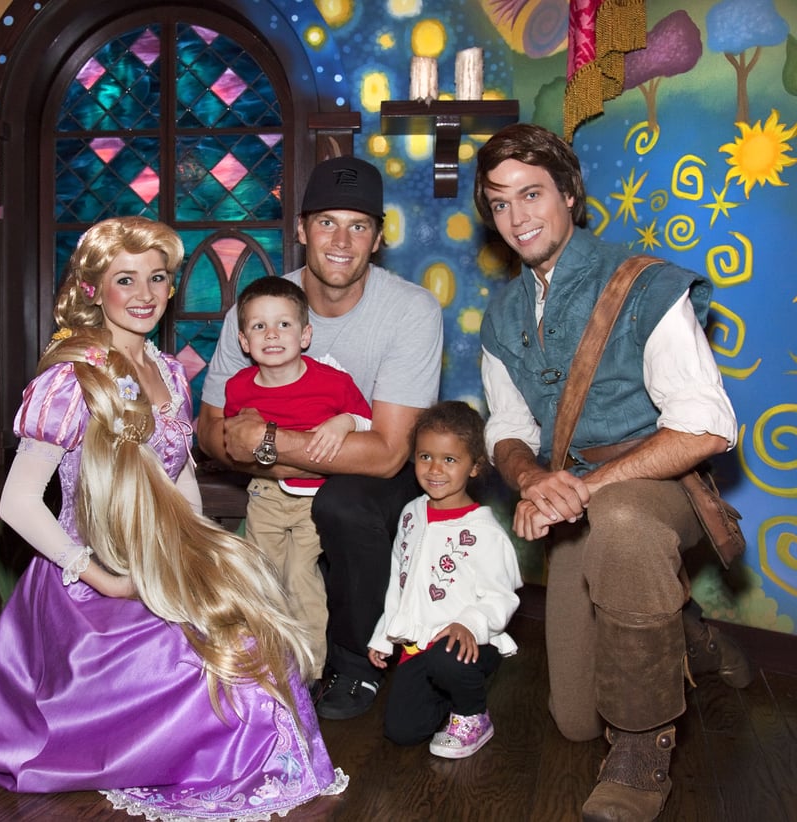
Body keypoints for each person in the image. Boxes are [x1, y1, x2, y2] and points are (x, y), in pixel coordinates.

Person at [0, 217, 346, 819]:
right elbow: (16, 502)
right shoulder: (73, 381)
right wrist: (99, 575)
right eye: (126, 279)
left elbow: (179, 473)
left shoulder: (169, 371)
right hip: (94, 583)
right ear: (94, 290)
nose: (145, 294)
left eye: (158, 279)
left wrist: (200, 552)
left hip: (164, 562)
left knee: (255, 650)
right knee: (225, 679)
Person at [474, 123, 750, 821]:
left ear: (569, 193)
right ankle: (686, 628)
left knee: (624, 523)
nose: (518, 217)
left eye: (532, 194)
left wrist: (585, 489)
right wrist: (533, 480)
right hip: (571, 495)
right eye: (500, 203)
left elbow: (708, 425)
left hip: (657, 487)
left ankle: (639, 749)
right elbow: (506, 428)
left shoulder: (645, 282)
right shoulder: (501, 314)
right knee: (572, 718)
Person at [198, 155, 444, 720]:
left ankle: (357, 663)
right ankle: (265, 656)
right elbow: (212, 432)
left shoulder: (410, 310)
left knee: (344, 499)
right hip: (276, 488)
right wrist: (262, 450)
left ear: (377, 239)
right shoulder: (261, 306)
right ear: (301, 229)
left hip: (371, 484)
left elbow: (385, 454)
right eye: (326, 222)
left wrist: (266, 445)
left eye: (358, 226)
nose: (341, 240)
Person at [225, 275, 374, 679]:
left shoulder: (332, 382)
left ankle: (308, 669)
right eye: (259, 326)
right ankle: (266, 660)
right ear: (243, 340)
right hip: (266, 495)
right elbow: (233, 439)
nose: (272, 335)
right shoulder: (238, 388)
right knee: (262, 575)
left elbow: (368, 422)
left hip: (315, 499)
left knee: (300, 577)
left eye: (284, 324)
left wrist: (343, 422)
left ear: (305, 335)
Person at [368, 401, 523, 759]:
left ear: (474, 467)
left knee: (446, 660)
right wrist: (384, 635)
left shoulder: (483, 531)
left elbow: (502, 597)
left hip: (468, 646)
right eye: (425, 457)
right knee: (402, 732)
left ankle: (472, 714)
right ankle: (447, 695)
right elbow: (399, 580)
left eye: (449, 460)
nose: (435, 469)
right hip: (417, 644)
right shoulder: (411, 514)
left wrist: (468, 624)